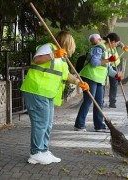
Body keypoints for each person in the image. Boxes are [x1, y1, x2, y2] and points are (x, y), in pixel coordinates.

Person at [20, 31, 89, 165]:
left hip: (47, 93)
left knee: (47, 124)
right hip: (37, 90)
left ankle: (43, 150)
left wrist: (78, 82)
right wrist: (53, 55)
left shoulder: (62, 58)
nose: (72, 48)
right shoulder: (49, 48)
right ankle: (35, 153)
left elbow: (66, 75)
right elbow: (37, 60)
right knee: (41, 124)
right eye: (71, 44)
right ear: (66, 42)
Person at [74, 33, 122, 132]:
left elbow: (107, 68)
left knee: (99, 102)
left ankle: (99, 126)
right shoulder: (99, 48)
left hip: (99, 79)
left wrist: (116, 75)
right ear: (112, 42)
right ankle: (79, 125)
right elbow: (94, 62)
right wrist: (108, 60)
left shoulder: (108, 51)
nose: (116, 46)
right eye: (116, 43)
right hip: (90, 77)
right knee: (88, 101)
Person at [105, 34, 128, 108]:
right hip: (107, 66)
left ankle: (112, 102)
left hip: (115, 65)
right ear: (112, 42)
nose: (117, 44)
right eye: (116, 43)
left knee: (114, 84)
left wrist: (123, 47)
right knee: (102, 84)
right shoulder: (105, 47)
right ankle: (100, 102)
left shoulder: (114, 43)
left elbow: (120, 43)